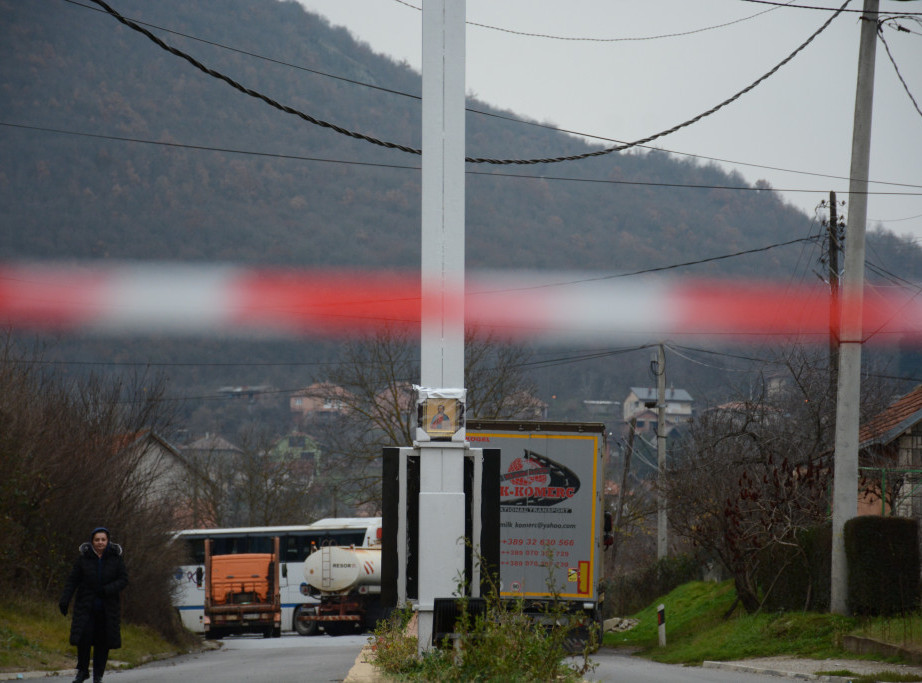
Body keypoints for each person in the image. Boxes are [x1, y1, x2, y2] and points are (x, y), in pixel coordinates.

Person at [59, 527, 128, 683]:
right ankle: (82, 671)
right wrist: (65, 600)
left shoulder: (116, 558)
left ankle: (98, 675)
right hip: (86, 606)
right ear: (92, 542)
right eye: (97, 540)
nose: (100, 543)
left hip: (107, 608)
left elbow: (123, 580)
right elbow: (73, 580)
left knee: (102, 642)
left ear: (108, 541)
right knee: (83, 638)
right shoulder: (83, 559)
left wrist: (107, 590)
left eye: (103, 540)